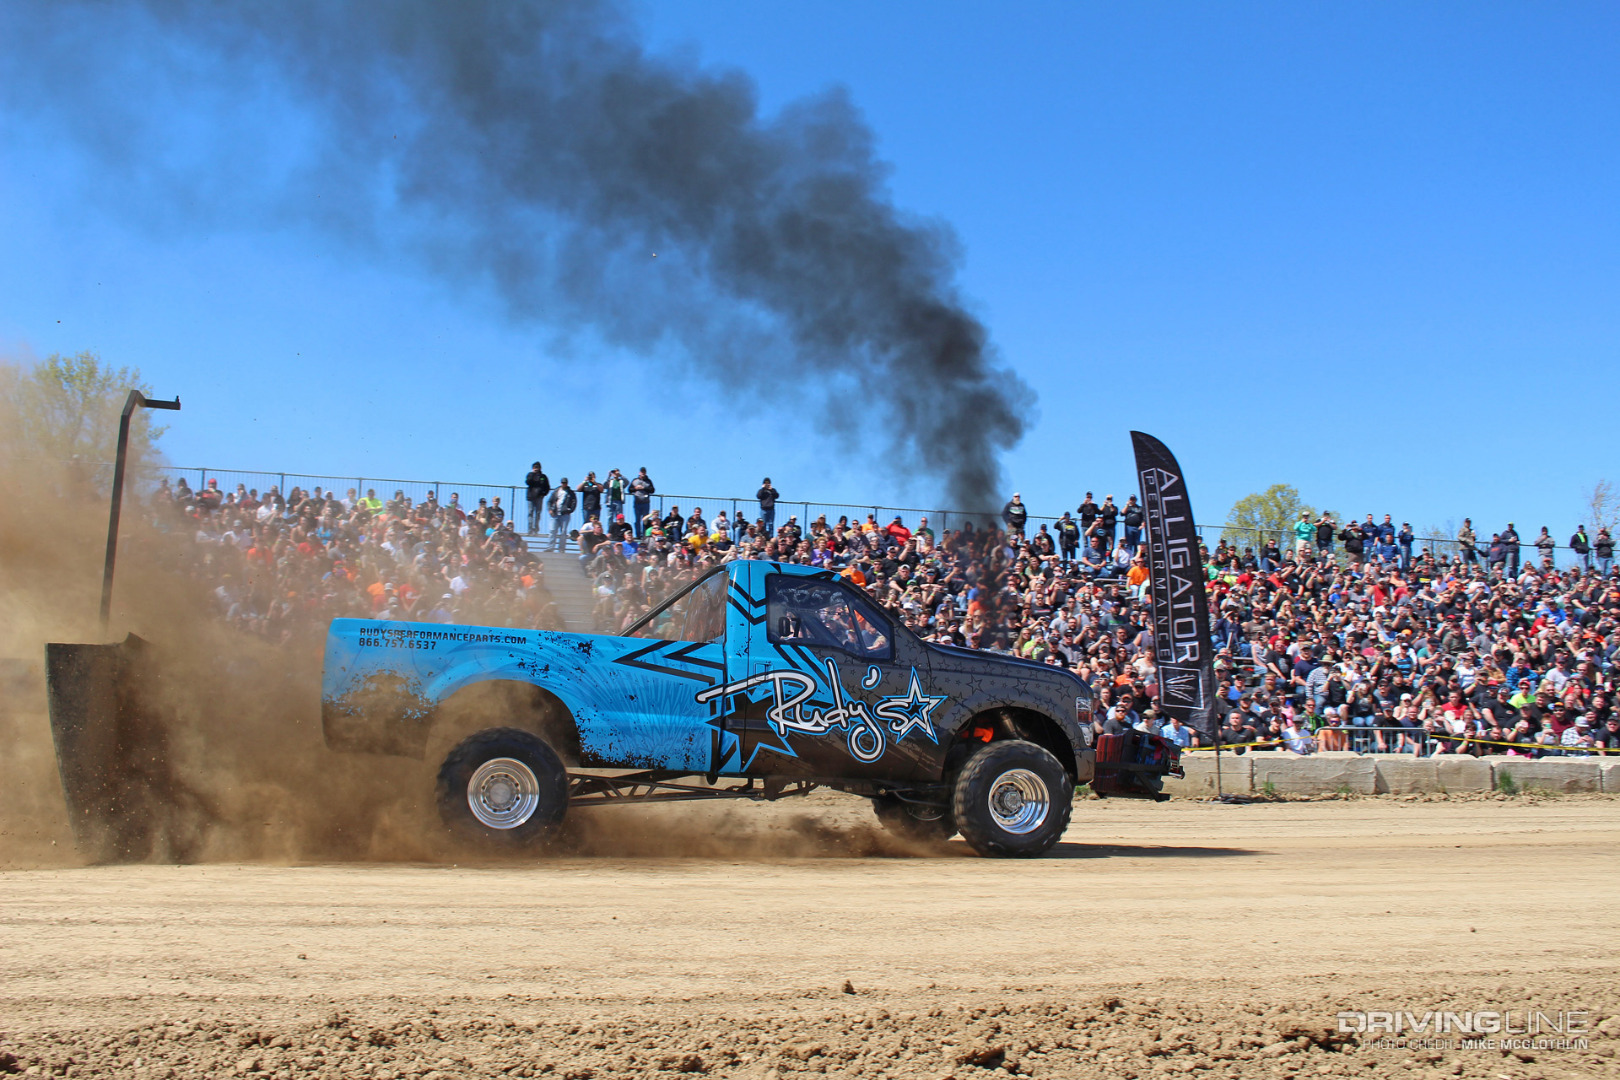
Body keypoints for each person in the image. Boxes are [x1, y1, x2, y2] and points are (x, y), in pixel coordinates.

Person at [547, 478, 576, 551]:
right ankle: (550, 547)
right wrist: (550, 509)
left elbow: (574, 502)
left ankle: (561, 548)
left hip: (565, 515)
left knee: (563, 531)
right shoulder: (556, 491)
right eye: (563, 483)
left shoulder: (570, 493)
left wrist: (569, 510)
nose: (564, 484)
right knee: (552, 530)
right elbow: (550, 501)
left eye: (565, 483)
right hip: (555, 514)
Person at [523, 462, 550, 534]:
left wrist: (543, 494)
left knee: (538, 513)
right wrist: (532, 474)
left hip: (539, 497)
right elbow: (528, 482)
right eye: (535, 467)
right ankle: (530, 529)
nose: (536, 468)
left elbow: (547, 486)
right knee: (530, 512)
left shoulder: (543, 477)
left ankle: (536, 528)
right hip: (531, 497)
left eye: (537, 467)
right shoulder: (530, 475)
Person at [628, 467, 655, 538]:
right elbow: (629, 489)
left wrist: (643, 488)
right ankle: (638, 535)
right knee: (637, 520)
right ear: (639, 472)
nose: (643, 473)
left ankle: (644, 535)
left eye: (644, 472)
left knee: (645, 520)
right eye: (641, 472)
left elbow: (652, 490)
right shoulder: (635, 480)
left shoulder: (648, 481)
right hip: (637, 503)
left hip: (645, 503)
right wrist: (635, 488)